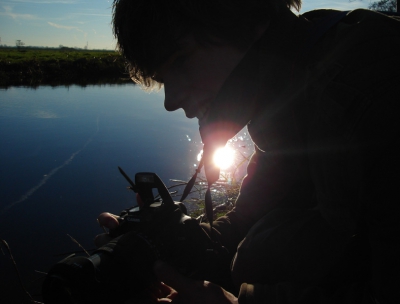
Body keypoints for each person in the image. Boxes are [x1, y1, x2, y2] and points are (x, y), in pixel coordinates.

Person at [95, 0, 400, 303]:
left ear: (242, 14)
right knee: (257, 252)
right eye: (162, 79)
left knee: (257, 259)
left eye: (180, 61)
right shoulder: (285, 83)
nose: (170, 100)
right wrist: (173, 241)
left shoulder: (372, 95)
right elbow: (254, 213)